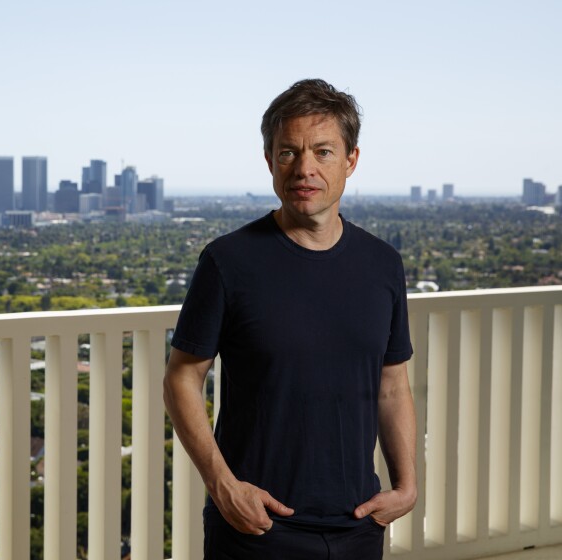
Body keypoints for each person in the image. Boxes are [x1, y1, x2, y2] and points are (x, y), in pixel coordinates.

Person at [163, 79, 417, 559]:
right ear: (269, 162)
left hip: (359, 522)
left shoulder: (383, 265)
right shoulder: (226, 262)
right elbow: (181, 378)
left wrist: (406, 486)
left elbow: (391, 383)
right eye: (288, 153)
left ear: (351, 160)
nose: (304, 169)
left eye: (322, 152)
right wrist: (223, 486)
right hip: (255, 525)